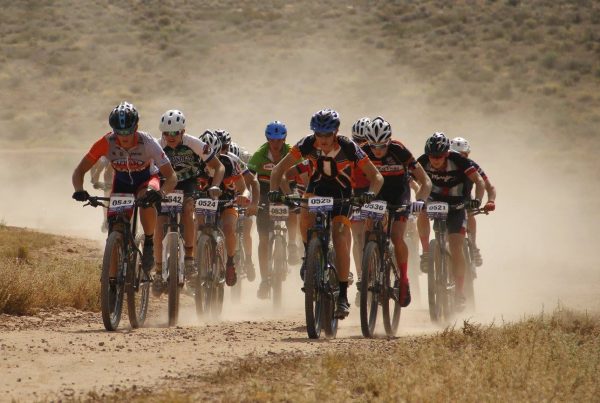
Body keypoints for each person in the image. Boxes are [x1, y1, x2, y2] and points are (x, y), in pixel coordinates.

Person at [268, 109, 384, 318]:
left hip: (342, 192)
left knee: (340, 237)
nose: (322, 139)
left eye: (327, 134)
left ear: (336, 132)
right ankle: (309, 256)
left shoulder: (348, 146)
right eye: (318, 134)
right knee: (304, 212)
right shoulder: (306, 144)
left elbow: (376, 177)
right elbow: (278, 169)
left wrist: (369, 195)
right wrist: (274, 192)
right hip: (317, 188)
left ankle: (343, 297)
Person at [72, 101, 177, 275]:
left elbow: (172, 176)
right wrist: (79, 189)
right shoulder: (106, 142)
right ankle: (112, 280)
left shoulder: (148, 142)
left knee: (146, 198)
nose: (124, 136)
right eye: (119, 131)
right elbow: (79, 170)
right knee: (114, 226)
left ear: (136, 127)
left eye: (128, 130)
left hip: (146, 180)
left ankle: (149, 242)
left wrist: (161, 192)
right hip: (122, 183)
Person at [152, 110, 225, 295]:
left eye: (175, 132)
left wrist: (215, 186)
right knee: (160, 222)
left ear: (183, 131)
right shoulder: (157, 145)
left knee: (188, 209)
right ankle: (158, 271)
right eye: (166, 133)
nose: (170, 136)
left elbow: (219, 166)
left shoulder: (194, 144)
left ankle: (190, 259)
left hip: (188, 183)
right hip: (166, 183)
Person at [362, 117, 432, 307]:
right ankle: (369, 271)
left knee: (396, 236)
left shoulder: (399, 150)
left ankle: (404, 279)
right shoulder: (363, 151)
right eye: (373, 145)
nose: (377, 150)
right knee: (368, 231)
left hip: (399, 195)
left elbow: (425, 181)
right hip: (377, 193)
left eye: (382, 146)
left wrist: (420, 200)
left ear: (389, 141)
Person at [416, 132, 485, 311]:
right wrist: (418, 200)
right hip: (434, 201)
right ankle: (426, 252)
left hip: (457, 205)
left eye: (439, 156)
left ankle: (459, 293)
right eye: (432, 156)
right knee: (421, 211)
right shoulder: (422, 161)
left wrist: (477, 200)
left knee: (455, 246)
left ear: (446, 153)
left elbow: (479, 181)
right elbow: (412, 181)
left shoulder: (460, 161)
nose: (435, 160)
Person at [248, 121, 301, 299]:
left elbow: (304, 172)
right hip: (265, 192)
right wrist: (252, 201)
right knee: (263, 240)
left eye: (279, 140)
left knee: (293, 207)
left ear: (284, 139)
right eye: (272, 140)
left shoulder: (292, 151)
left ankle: (292, 244)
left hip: (288, 189)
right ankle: (264, 280)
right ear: (267, 139)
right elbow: (249, 178)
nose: (276, 144)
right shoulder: (259, 154)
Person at [199, 130, 251, 286]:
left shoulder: (229, 163)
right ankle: (195, 263)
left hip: (226, 201)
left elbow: (244, 188)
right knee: (197, 226)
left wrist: (243, 196)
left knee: (229, 228)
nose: (209, 160)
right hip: (204, 202)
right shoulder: (196, 163)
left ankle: (230, 263)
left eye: (214, 155)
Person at [450, 137, 497, 266]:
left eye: (463, 155)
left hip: (465, 199)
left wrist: (490, 201)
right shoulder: (442, 165)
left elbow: (490, 187)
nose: (460, 158)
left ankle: (473, 246)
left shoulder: (472, 166)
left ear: (467, 154)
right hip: (446, 199)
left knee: (469, 213)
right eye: (456, 154)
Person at [226, 140, 259, 282]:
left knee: (246, 231)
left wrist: (253, 204)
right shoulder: (227, 164)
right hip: (231, 200)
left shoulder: (245, 160)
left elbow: (253, 183)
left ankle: (249, 261)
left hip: (245, 200)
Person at [349, 117, 371, 302]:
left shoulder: (378, 152)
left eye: (365, 141)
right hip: (355, 193)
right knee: (358, 238)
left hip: (375, 191)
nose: (361, 145)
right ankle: (361, 278)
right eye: (357, 140)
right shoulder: (349, 151)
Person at [89, 156, 114, 232]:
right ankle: (106, 219)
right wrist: (95, 177)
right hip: (110, 181)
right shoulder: (108, 155)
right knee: (107, 197)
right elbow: (96, 164)